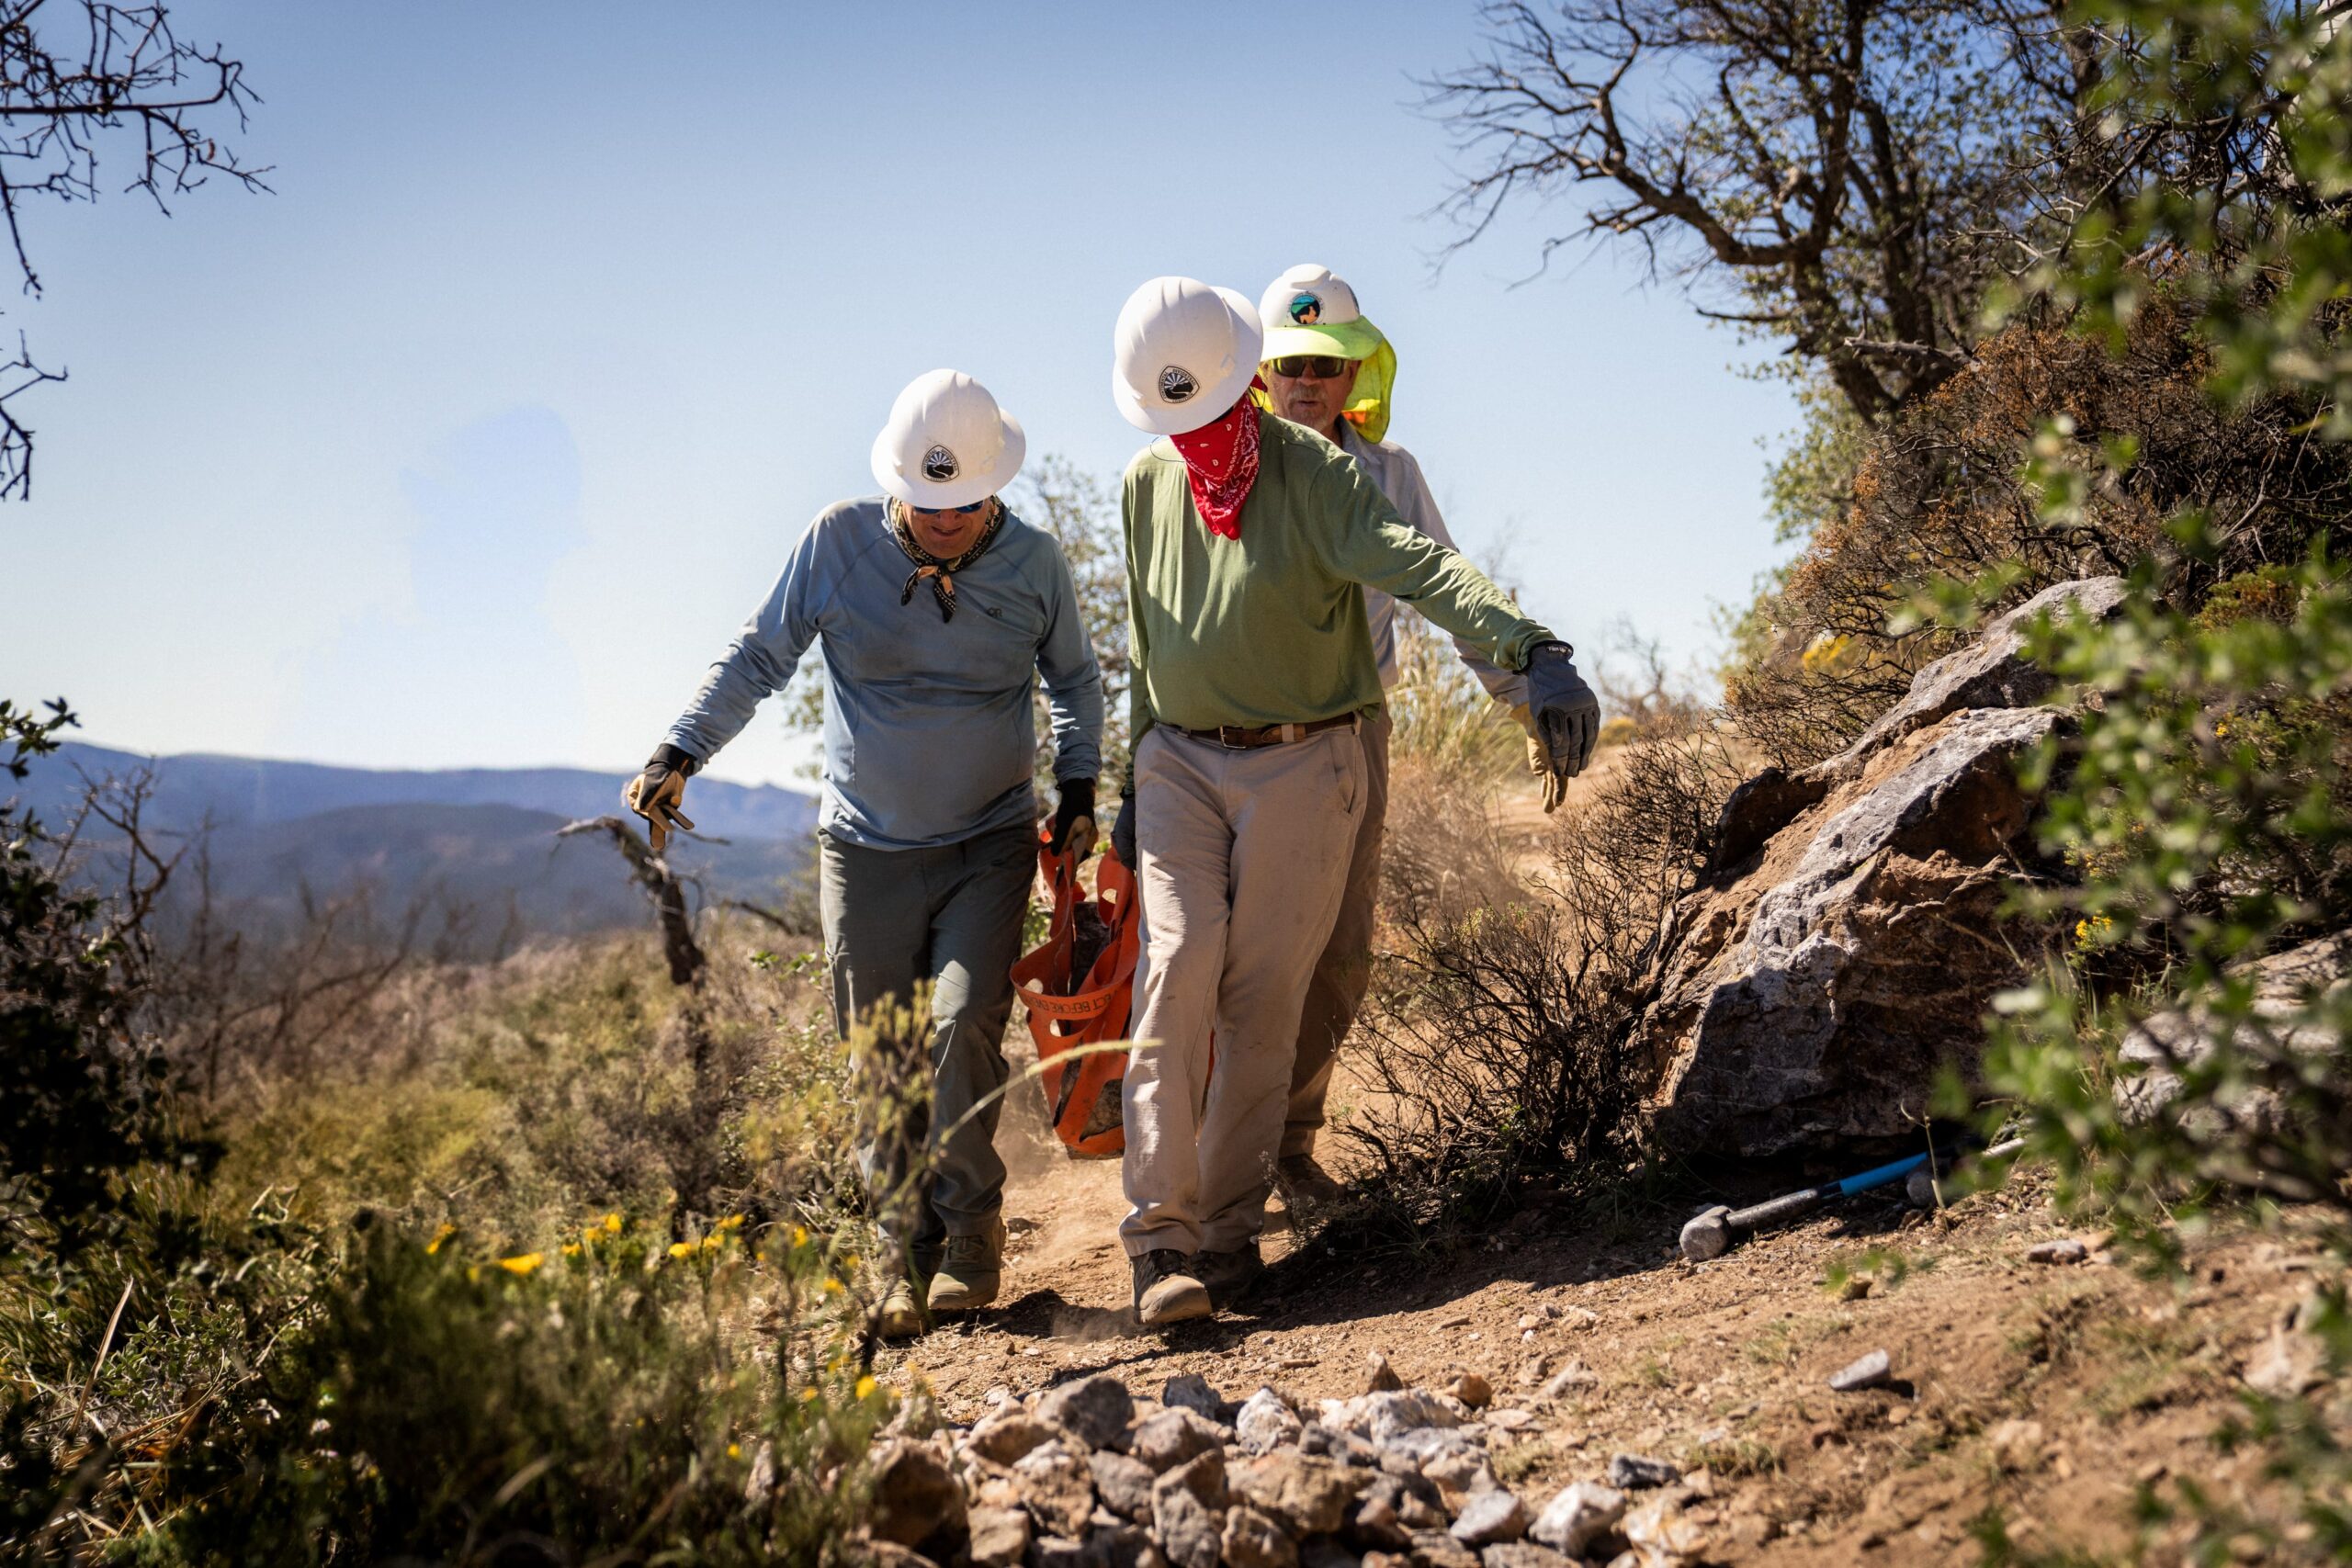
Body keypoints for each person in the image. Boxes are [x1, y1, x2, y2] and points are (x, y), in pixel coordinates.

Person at [1103, 276, 1600, 1325]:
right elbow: (1149, 639)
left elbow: (1422, 567)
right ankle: (1158, 1243)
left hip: (1308, 758)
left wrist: (1532, 650)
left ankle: (1227, 1240)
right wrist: (1128, 773)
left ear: (1243, 381)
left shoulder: (1321, 475)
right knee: (1176, 966)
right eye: (1171, 412)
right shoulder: (1146, 480)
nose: (1191, 430)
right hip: (1179, 763)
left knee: (1262, 996)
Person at [624, 369, 1102, 1339]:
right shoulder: (837, 543)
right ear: (900, 483)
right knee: (878, 1054)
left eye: (967, 500)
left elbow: (1074, 682)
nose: (949, 517)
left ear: (994, 487)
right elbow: (761, 653)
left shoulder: (1034, 564)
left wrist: (1082, 787)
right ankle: (898, 1251)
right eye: (931, 501)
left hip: (990, 839)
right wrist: (680, 751)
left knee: (961, 1025)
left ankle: (970, 1230)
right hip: (864, 849)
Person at [1251, 263, 1540, 1205]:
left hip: (1352, 733)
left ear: (1357, 373)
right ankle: (1206, 1169)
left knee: (1336, 951)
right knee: (1225, 956)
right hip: (1225, 741)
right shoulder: (1217, 472)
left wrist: (1523, 696)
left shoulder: (1391, 475)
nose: (1305, 381)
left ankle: (1289, 1150)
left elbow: (1446, 587)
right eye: (1288, 362)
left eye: (1324, 366)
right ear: (1259, 371)